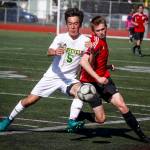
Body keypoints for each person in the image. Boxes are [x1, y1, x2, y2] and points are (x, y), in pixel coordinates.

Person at [0, 8, 89, 132]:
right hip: (52, 76)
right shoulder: (60, 38)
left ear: (80, 24)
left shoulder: (86, 41)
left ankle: (72, 121)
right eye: (70, 23)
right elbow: (49, 51)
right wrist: (55, 52)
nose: (73, 26)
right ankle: (8, 120)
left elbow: (89, 61)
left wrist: (93, 51)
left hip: (69, 79)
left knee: (82, 92)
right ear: (66, 24)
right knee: (30, 100)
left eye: (75, 23)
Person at [77, 16, 150, 143]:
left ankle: (141, 135)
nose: (102, 32)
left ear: (106, 27)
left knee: (122, 105)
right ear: (94, 31)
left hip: (104, 79)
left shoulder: (103, 39)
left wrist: (107, 67)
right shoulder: (94, 42)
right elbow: (84, 62)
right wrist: (98, 77)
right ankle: (81, 115)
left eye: (103, 29)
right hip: (91, 82)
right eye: (98, 30)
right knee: (101, 119)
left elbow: (95, 63)